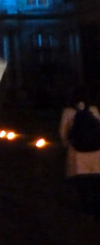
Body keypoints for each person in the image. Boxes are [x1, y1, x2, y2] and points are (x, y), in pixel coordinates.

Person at [59, 88, 100, 219]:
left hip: (78, 153)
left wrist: (66, 144)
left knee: (83, 184)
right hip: (96, 152)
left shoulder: (68, 111)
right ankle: (96, 209)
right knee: (96, 184)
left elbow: (63, 131)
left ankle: (85, 210)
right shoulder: (93, 110)